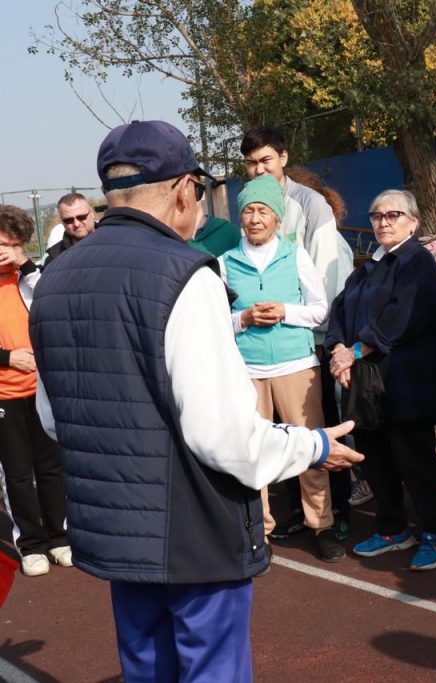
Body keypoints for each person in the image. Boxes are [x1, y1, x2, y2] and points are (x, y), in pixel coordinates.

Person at [29, 120, 362, 681]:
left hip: (114, 523)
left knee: (146, 665)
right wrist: (311, 445)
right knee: (212, 667)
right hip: (191, 528)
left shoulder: (54, 278)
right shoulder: (184, 273)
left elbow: (54, 415)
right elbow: (223, 436)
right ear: (185, 189)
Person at [326, 189, 436, 571]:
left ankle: (435, 532)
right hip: (368, 386)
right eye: (376, 215)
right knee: (376, 458)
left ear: (413, 221)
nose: (383, 221)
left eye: (393, 215)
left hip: (409, 384)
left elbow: (404, 316)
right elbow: (339, 310)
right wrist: (337, 348)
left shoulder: (418, 263)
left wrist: (356, 349)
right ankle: (392, 527)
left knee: (415, 461)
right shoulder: (367, 267)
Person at [218, 174, 341, 563]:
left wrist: (287, 311)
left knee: (311, 450)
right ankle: (260, 532)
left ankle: (321, 525)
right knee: (253, 456)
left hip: (297, 366)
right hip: (248, 372)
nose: (255, 218)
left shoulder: (296, 255)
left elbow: (321, 309)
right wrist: (244, 319)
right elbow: (216, 320)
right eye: (249, 210)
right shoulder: (224, 263)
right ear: (240, 217)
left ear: (276, 218)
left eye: (264, 211)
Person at [241, 127, 356, 540]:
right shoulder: (249, 210)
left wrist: (324, 335)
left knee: (317, 430)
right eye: (252, 163)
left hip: (313, 342)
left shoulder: (311, 205)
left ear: (283, 158)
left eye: (265, 160)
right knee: (276, 437)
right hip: (261, 351)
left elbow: (328, 275)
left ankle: (335, 513)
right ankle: (293, 514)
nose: (259, 169)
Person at [0, 206, 69, 577]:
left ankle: (59, 538)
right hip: (3, 395)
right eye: (1, 243)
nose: (5, 250)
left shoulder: (29, 276)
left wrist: (23, 262)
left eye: (13, 244)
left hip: (41, 389)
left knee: (51, 467)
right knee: (17, 474)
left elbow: (50, 298)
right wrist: (9, 357)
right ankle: (31, 544)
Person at [43, 193, 96, 265]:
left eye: (81, 217)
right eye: (69, 220)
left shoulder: (113, 240)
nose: (76, 224)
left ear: (92, 213)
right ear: (62, 221)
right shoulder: (55, 257)